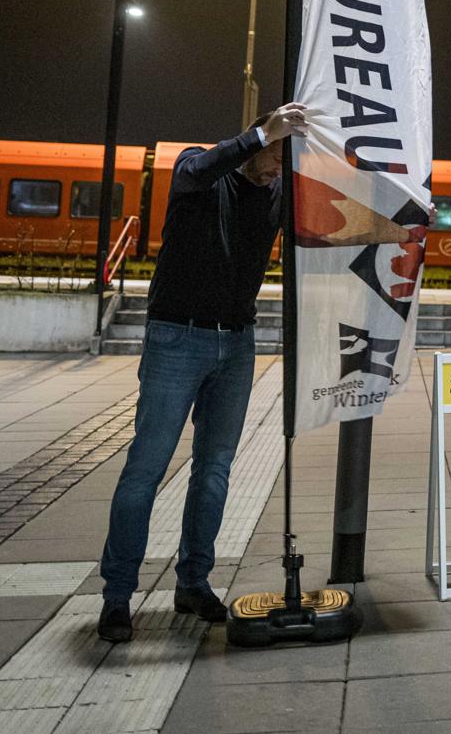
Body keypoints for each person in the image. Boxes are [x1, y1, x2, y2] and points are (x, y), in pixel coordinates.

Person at [95, 103, 308, 643]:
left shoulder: (279, 192)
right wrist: (263, 132)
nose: (279, 166)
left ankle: (194, 581)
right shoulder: (200, 170)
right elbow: (198, 168)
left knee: (214, 471)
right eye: (276, 152)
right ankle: (117, 595)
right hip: (176, 337)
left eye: (286, 157)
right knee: (146, 469)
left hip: (236, 343)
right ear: (256, 141)